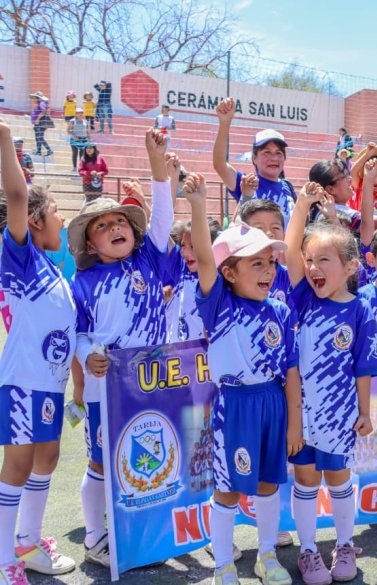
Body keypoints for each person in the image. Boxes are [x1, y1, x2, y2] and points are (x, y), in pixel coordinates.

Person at [183, 173, 298, 585]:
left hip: (273, 403)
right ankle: (224, 566)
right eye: (256, 263)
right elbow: (205, 258)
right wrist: (199, 205)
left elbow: (291, 371)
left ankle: (266, 556)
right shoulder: (218, 305)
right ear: (229, 273)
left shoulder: (280, 311)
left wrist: (295, 423)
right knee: (228, 489)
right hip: (234, 405)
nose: (268, 271)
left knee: (268, 484)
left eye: (271, 262)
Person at [69, 129, 176, 568]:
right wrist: (86, 356)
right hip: (106, 388)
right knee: (100, 462)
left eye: (121, 222)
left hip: (154, 381)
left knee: (152, 453)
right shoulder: (82, 283)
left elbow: (164, 218)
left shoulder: (148, 259)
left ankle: (144, 533)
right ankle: (95, 537)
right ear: (89, 244)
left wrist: (156, 162)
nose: (115, 227)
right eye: (102, 225)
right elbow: (77, 334)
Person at [284, 182, 377, 584]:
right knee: (306, 479)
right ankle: (308, 550)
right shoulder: (303, 298)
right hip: (300, 413)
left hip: (340, 413)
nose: (313, 268)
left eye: (324, 259)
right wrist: (301, 205)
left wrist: (364, 411)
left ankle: (344, 544)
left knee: (339, 478)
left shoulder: (360, 310)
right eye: (309, 260)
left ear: (351, 267)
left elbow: (363, 367)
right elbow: (288, 251)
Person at [0, 120, 76, 582]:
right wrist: (5, 139)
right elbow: (16, 195)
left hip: (50, 385)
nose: (63, 221)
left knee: (47, 458)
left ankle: (27, 543)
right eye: (57, 213)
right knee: (19, 464)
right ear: (34, 220)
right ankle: (4, 559)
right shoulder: (22, 259)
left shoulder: (53, 270)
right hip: (25, 382)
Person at [212, 98, 296, 227]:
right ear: (254, 158)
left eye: (278, 153)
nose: (274, 158)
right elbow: (220, 164)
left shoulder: (288, 187)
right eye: (267, 152)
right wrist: (225, 122)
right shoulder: (246, 183)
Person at [29, 92, 52, 158]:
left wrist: (37, 119)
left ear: (38, 98)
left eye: (35, 98)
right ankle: (38, 151)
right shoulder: (39, 104)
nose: (33, 99)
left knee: (40, 138)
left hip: (40, 123)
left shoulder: (42, 103)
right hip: (37, 124)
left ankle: (49, 150)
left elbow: (43, 111)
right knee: (37, 138)